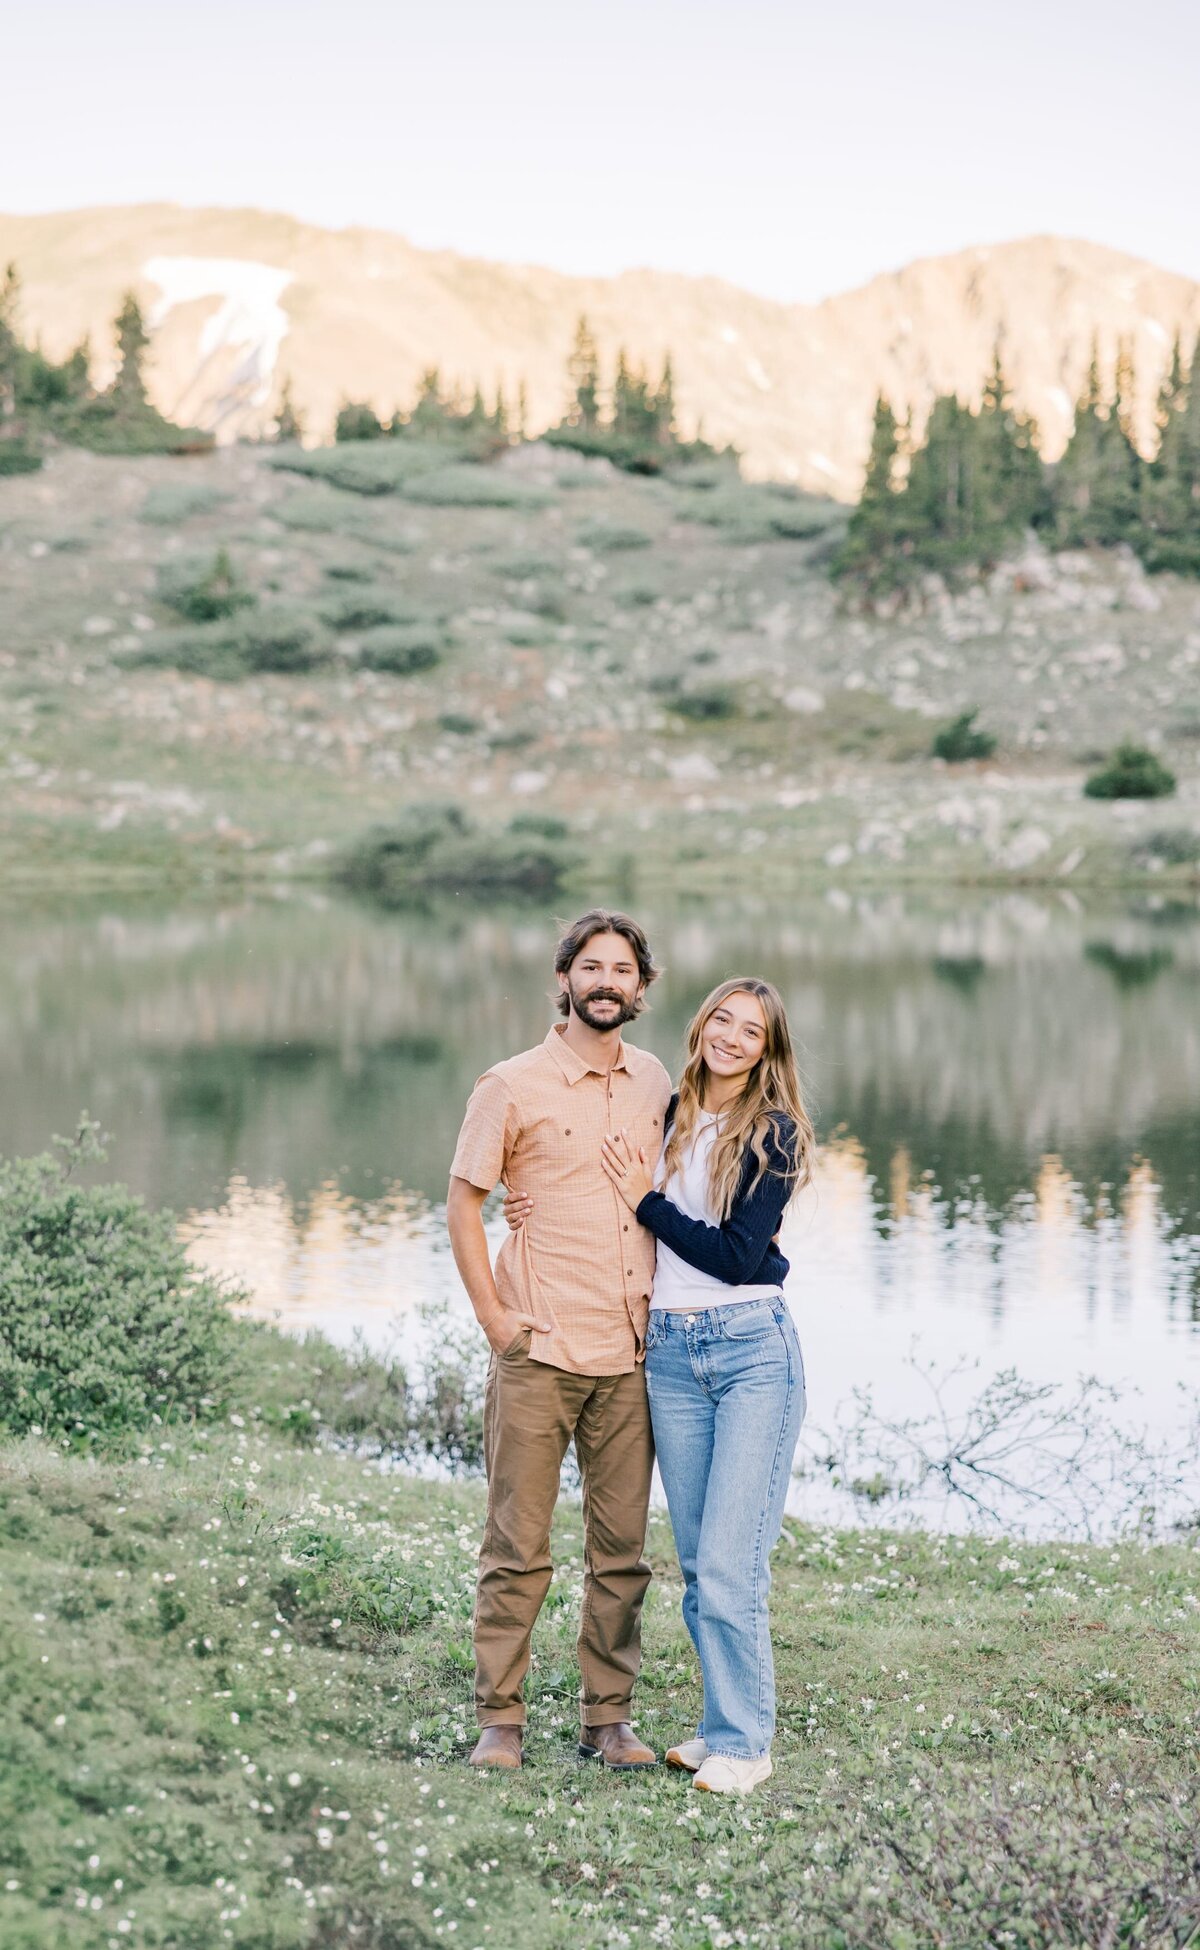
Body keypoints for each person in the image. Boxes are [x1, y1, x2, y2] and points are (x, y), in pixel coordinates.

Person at [506, 976, 813, 1795]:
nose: (734, 1038)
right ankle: (718, 1730)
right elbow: (592, 1173)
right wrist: (528, 1206)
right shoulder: (671, 1110)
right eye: (724, 1020)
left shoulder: (773, 1133)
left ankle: (748, 1745)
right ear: (702, 1024)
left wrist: (645, 1203)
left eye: (753, 1031)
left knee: (731, 1560)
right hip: (671, 1355)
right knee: (699, 1565)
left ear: (769, 1049)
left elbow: (739, 1257)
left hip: (751, 1352)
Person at [446, 910, 672, 1772]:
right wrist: (497, 1322)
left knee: (621, 1557)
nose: (606, 981)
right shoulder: (509, 1084)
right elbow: (464, 1202)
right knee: (517, 1550)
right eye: (591, 966)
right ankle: (500, 1723)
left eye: (622, 969)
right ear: (566, 977)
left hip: (631, 1352)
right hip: (538, 1346)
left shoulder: (656, 1082)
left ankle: (606, 1721)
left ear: (641, 987)